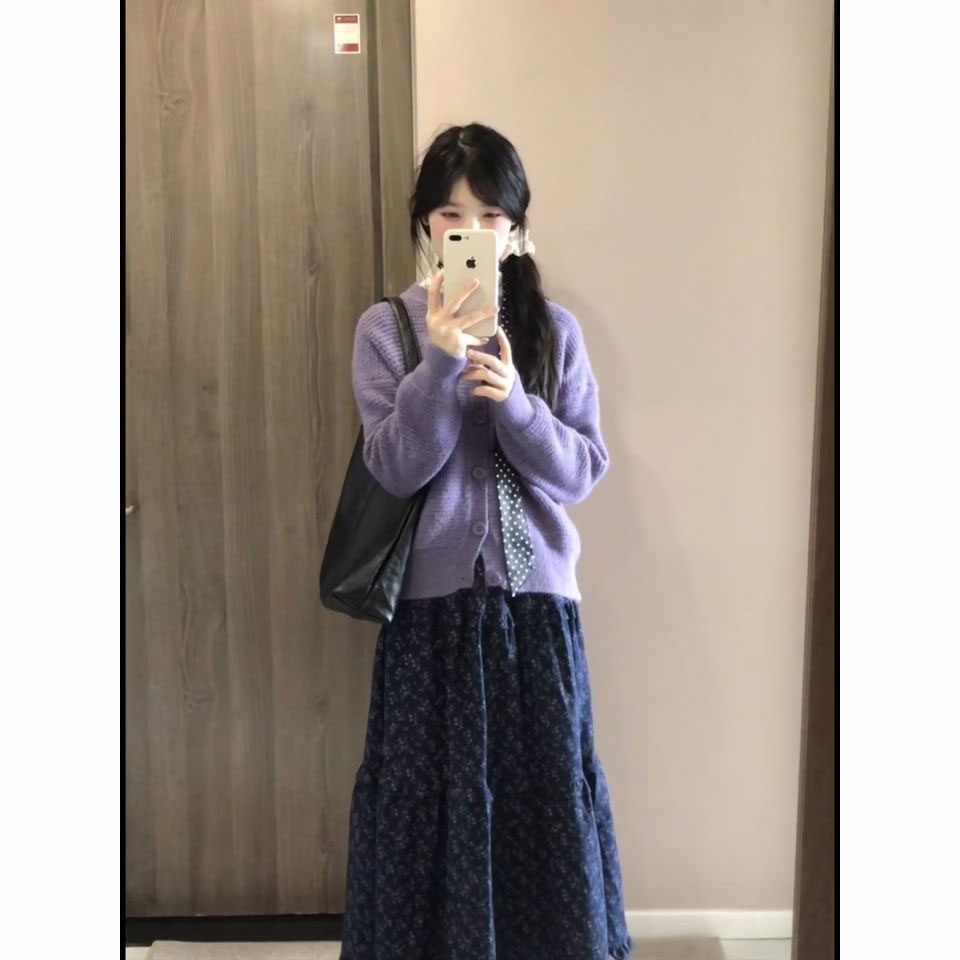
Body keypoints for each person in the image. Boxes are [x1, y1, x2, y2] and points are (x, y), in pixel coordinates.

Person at [339, 122, 633, 960]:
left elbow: (580, 471)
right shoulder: (385, 331)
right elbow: (395, 468)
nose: (470, 231)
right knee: (426, 813)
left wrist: (515, 405)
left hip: (535, 618)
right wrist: (438, 366)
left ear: (517, 228)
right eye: (449, 215)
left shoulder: (554, 331)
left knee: (543, 808)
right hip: (427, 621)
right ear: (425, 226)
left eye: (491, 215)